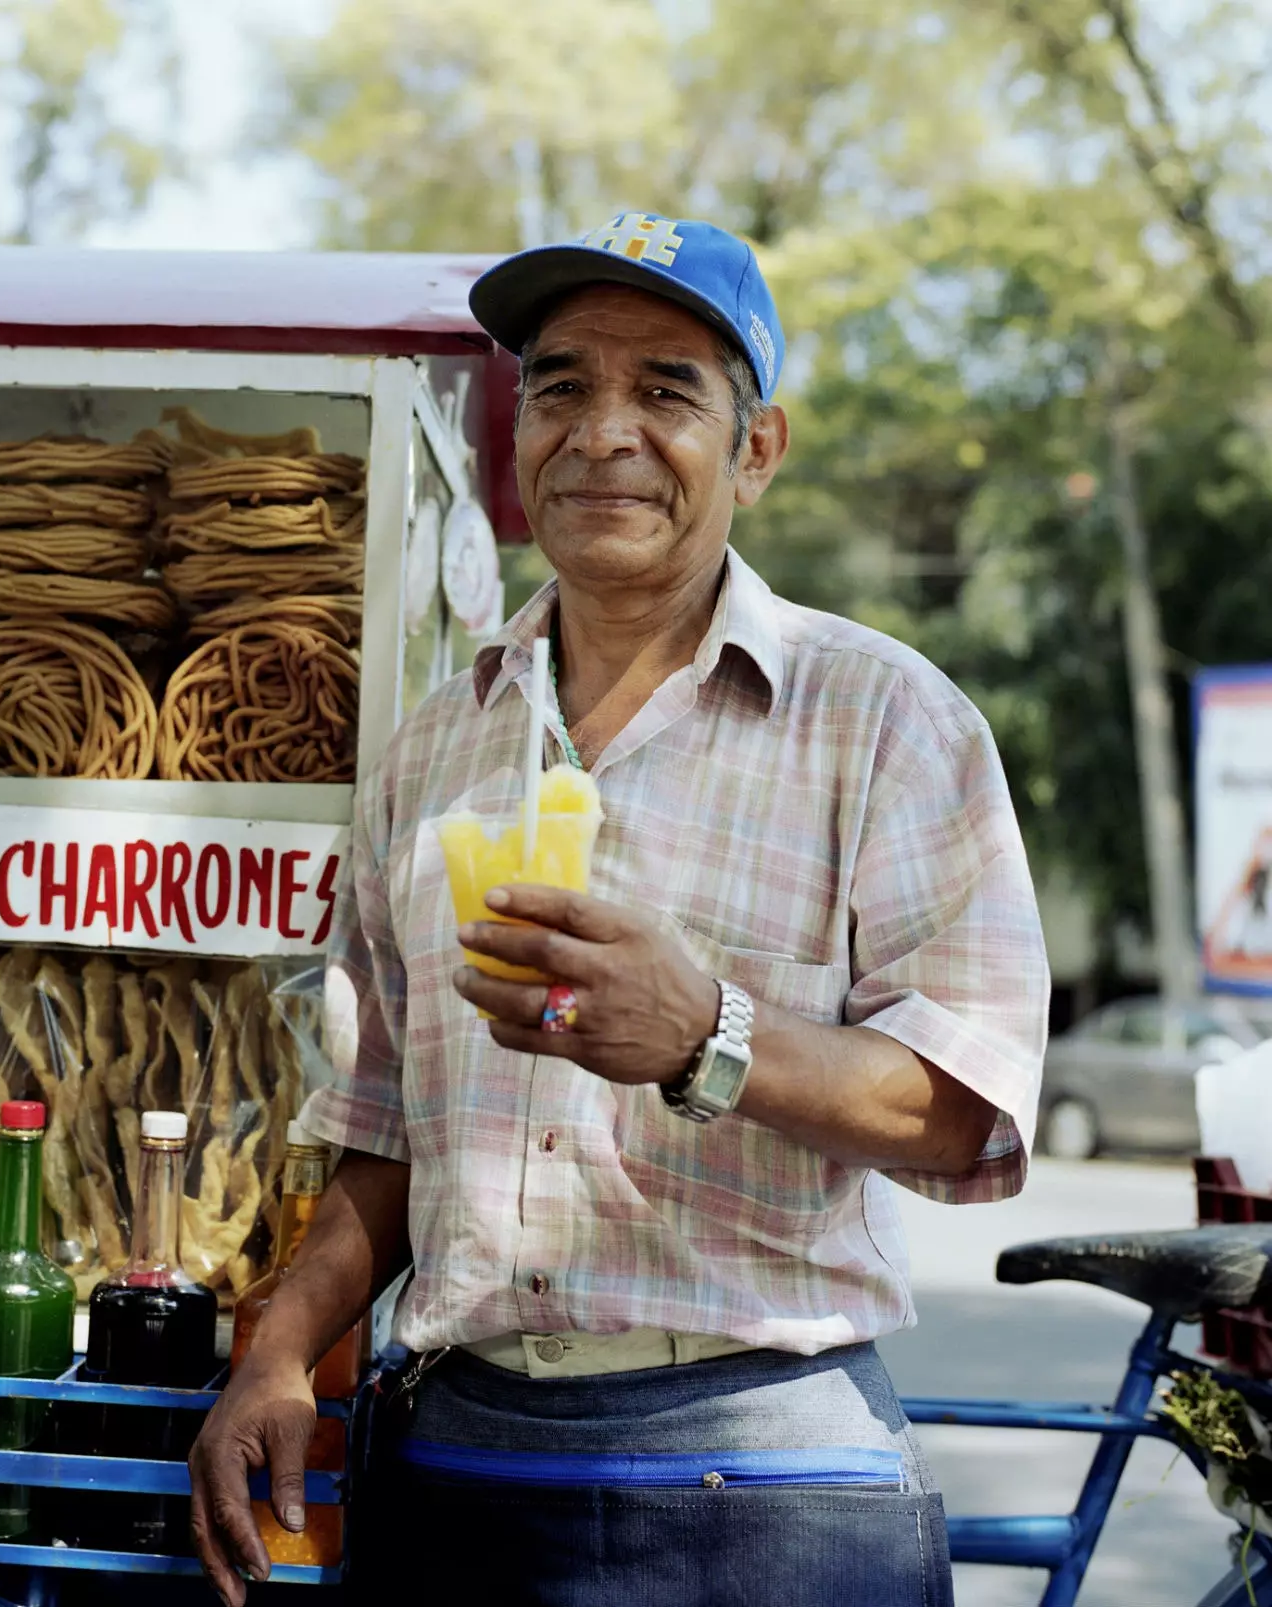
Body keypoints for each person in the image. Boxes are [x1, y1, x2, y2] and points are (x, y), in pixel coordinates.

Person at [189, 212, 1050, 1606]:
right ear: (519, 433)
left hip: (770, 1482)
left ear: (754, 450)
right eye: (563, 382)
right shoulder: (430, 753)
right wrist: (277, 1351)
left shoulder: (885, 721)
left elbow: (963, 1106)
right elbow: (380, 1134)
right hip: (462, 1470)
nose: (604, 431)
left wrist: (710, 1031)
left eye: (667, 390)